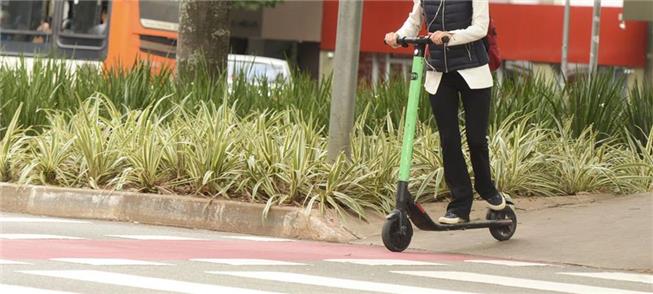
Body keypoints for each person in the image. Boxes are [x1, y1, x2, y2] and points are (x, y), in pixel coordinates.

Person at [384, 0, 506, 224]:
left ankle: (486, 187)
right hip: (439, 73)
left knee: (476, 139)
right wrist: (397, 36)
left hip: (473, 72)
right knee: (449, 140)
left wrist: (450, 36)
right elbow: (413, 22)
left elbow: (480, 27)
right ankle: (460, 206)